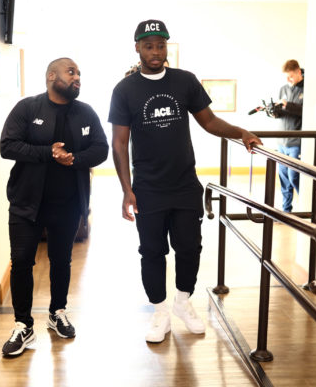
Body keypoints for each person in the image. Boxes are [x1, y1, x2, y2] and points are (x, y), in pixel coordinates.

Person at [108, 20, 262, 343]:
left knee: (189, 248)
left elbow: (208, 121)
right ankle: (160, 312)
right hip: (148, 187)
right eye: (148, 45)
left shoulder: (184, 81)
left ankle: (182, 302)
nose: (155, 51)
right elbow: (119, 143)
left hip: (184, 184)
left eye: (160, 45)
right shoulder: (125, 90)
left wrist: (242, 132)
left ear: (167, 48)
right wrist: (127, 190)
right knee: (152, 251)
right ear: (137, 48)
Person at [0, 57, 108, 356]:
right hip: (26, 203)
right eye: (71, 72)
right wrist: (48, 153)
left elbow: (101, 149)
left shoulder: (85, 112)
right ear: (51, 76)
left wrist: (74, 159)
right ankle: (23, 325)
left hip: (68, 203)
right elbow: (7, 145)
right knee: (21, 262)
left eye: (80, 74)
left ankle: (57, 312)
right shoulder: (28, 108)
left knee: (62, 261)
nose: (77, 78)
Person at [274, 59, 304, 213]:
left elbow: (304, 111)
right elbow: (281, 114)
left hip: (296, 142)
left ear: (299, 72)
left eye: (291, 76)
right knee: (284, 179)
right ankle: (287, 211)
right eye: (286, 77)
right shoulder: (283, 89)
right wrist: (274, 112)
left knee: (294, 177)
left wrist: (287, 105)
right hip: (282, 142)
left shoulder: (307, 89)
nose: (288, 80)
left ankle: (307, 208)